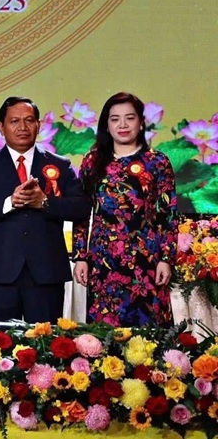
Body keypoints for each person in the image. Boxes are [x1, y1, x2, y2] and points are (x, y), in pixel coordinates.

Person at [0, 96, 91, 322]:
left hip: (46, 273)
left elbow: (81, 207)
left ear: (38, 125)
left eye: (29, 120)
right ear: (1, 127)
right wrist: (9, 202)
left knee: (45, 340)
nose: (22, 127)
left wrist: (45, 202)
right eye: (14, 121)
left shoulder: (60, 165)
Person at [71, 92, 177, 326]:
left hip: (147, 260)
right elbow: (82, 213)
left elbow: (168, 214)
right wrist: (80, 257)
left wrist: (166, 259)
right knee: (105, 334)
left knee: (150, 333)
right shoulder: (92, 161)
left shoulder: (157, 162)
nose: (123, 125)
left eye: (130, 118)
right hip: (104, 261)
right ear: (106, 125)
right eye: (115, 119)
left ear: (141, 123)